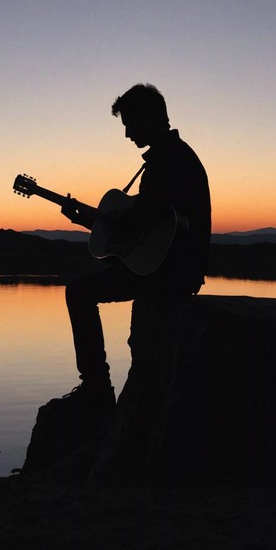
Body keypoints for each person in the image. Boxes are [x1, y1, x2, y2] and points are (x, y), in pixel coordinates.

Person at [53, 83, 211, 411]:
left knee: (79, 292)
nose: (126, 134)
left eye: (129, 123)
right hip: (173, 268)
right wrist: (91, 221)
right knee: (90, 284)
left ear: (148, 117)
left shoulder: (167, 160)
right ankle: (97, 386)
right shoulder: (173, 155)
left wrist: (92, 221)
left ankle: (96, 385)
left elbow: (140, 222)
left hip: (168, 273)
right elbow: (142, 224)